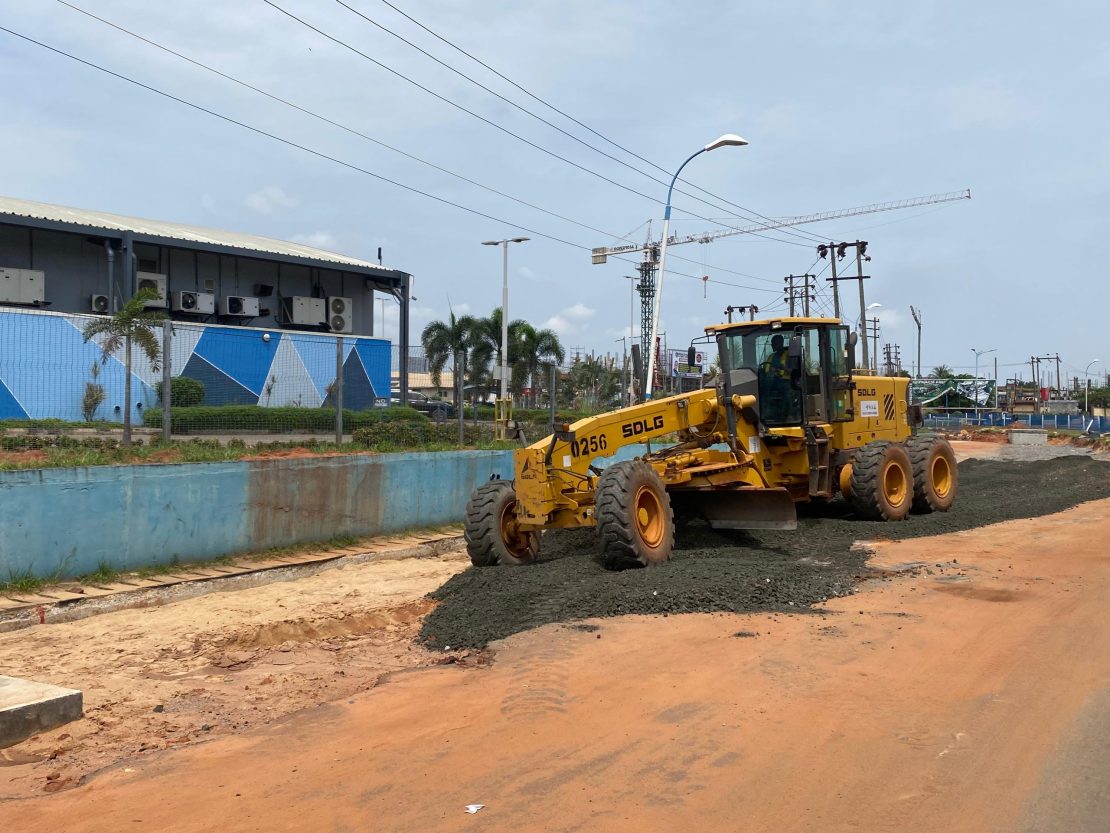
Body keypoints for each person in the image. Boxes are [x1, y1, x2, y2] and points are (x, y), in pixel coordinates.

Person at [759, 334, 800, 423]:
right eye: (772, 343)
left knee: (786, 391)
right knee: (761, 390)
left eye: (774, 343)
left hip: (787, 381)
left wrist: (783, 368)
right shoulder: (771, 356)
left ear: (780, 343)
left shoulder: (789, 355)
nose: (772, 345)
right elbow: (766, 369)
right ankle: (764, 414)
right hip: (771, 381)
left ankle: (788, 415)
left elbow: (795, 371)